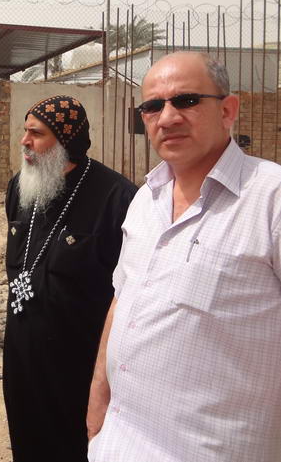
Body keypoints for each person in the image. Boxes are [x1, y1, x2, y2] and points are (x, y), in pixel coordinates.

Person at [87, 52, 281, 461]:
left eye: (187, 100)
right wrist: (98, 397)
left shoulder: (270, 199)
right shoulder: (146, 198)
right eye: (153, 106)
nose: (168, 117)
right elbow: (123, 300)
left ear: (227, 110)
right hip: (119, 443)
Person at [3, 95, 136, 461]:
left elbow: (126, 293)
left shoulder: (117, 198)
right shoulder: (19, 187)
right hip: (21, 355)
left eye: (36, 134)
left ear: (66, 141)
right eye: (25, 131)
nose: (24, 142)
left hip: (78, 363)